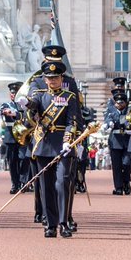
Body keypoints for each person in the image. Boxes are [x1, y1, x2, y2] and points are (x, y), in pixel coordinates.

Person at [24, 60, 84, 238]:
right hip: (44, 145)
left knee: (62, 183)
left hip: (63, 146)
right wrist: (26, 104)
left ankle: (64, 222)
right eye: (49, 78)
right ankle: (50, 224)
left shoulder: (69, 97)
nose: (53, 81)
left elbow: (73, 121)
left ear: (61, 78)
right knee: (46, 186)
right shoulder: (40, 96)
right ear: (45, 78)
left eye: (56, 78)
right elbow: (33, 106)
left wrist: (68, 140)